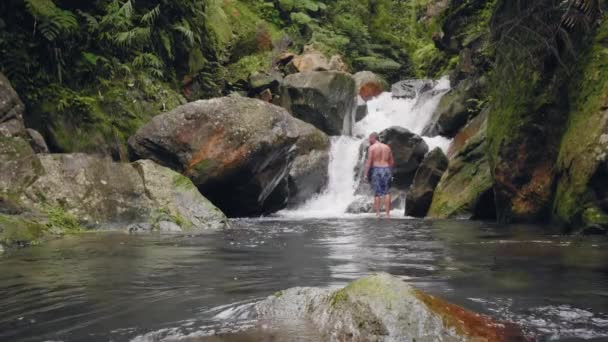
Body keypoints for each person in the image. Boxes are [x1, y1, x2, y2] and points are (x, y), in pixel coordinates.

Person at [364, 132, 394, 217]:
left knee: (377, 192)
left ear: (373, 138)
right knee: (387, 192)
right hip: (386, 169)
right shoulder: (387, 147)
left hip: (377, 169)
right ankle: (388, 214)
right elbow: (392, 162)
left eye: (369, 139)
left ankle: (377, 213)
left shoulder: (372, 148)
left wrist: (366, 174)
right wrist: (391, 173)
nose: (368, 140)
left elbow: (369, 162)